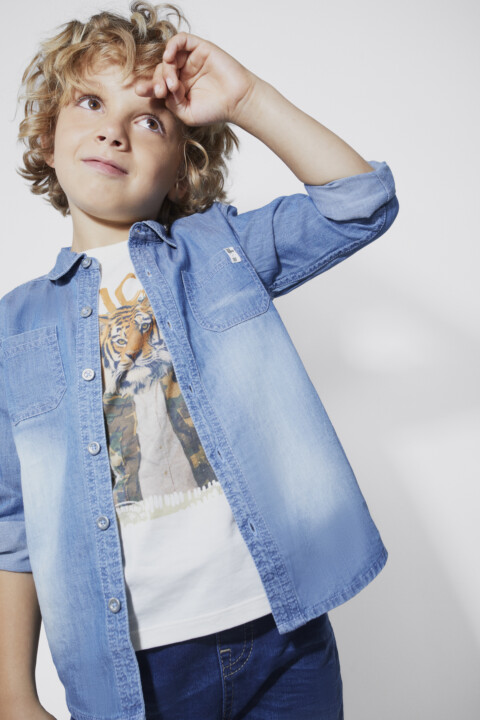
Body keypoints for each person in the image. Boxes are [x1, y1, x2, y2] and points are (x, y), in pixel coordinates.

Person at [0, 2, 399, 719]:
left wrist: (247, 99)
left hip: (286, 637)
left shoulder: (220, 252)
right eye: (90, 103)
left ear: (183, 169)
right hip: (135, 673)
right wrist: (11, 694)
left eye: (149, 121)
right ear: (47, 139)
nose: (114, 130)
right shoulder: (13, 328)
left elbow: (361, 201)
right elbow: (12, 522)